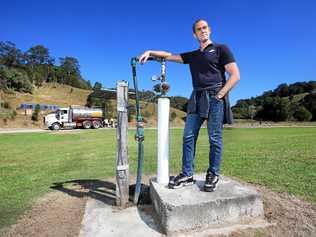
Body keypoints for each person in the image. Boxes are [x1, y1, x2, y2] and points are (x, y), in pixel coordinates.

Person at [139, 19, 240, 192]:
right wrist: (150, 51)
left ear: (210, 30)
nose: (203, 31)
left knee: (214, 138)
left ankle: (213, 173)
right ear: (195, 34)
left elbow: (235, 75)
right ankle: (187, 174)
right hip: (196, 95)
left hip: (215, 95)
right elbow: (168, 55)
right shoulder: (193, 55)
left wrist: (219, 96)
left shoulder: (222, 49)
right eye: (199, 29)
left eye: (205, 28)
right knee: (188, 136)